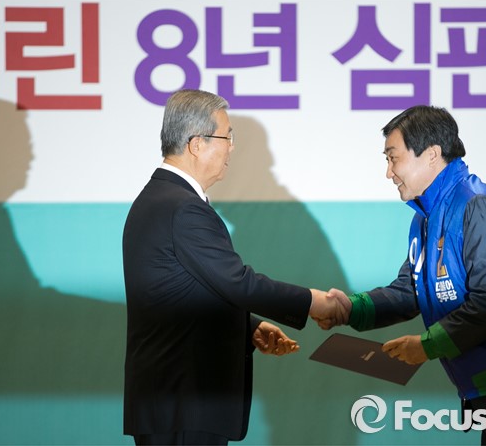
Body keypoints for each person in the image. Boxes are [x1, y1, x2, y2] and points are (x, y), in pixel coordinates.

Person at [324, 105, 486, 444]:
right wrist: (351, 308)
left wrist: (426, 346)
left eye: (393, 158)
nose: (388, 173)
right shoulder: (425, 218)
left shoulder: (476, 203)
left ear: (432, 155)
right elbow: (409, 291)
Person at [122, 89, 349, 445]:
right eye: (227, 137)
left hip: (174, 401)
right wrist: (315, 302)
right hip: (184, 401)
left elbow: (186, 294)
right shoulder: (182, 207)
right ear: (197, 144)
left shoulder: (160, 199)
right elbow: (238, 283)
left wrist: (248, 327)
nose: (231, 148)